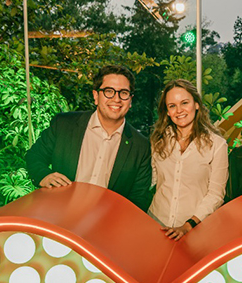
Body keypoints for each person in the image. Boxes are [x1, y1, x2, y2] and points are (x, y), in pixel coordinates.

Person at [25, 65, 153, 211]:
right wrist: (43, 175)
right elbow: (34, 156)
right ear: (96, 96)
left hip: (106, 222)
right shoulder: (64, 124)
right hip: (58, 213)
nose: (116, 99)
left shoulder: (141, 146)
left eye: (123, 93)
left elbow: (139, 198)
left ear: (130, 100)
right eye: (109, 91)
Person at [148, 79, 228, 240]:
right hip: (156, 225)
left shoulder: (217, 145)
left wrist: (187, 226)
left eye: (184, 103)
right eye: (172, 106)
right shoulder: (158, 141)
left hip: (195, 231)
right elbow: (151, 181)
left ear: (196, 104)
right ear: (167, 111)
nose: (179, 110)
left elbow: (216, 195)